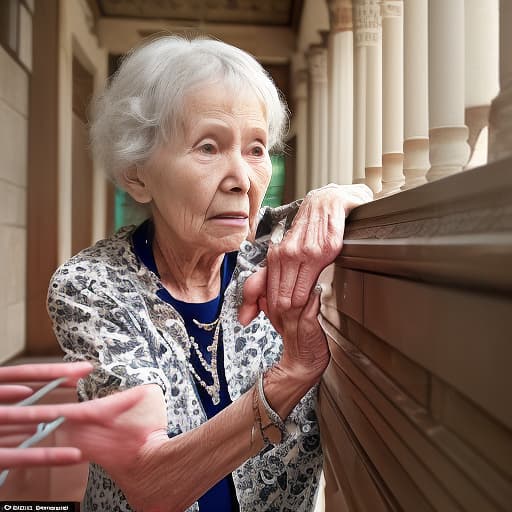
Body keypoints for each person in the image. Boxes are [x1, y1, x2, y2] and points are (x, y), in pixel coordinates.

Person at [46, 35, 372, 511]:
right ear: (137, 174)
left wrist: (336, 196)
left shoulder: (271, 247)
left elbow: (367, 206)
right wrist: (291, 376)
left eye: (257, 149)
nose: (241, 178)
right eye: (208, 147)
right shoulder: (92, 287)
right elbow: (151, 483)